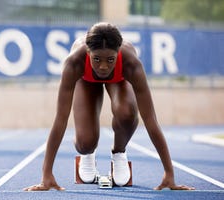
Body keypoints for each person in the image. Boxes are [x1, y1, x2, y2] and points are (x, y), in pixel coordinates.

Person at [24, 22, 195, 191]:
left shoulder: (131, 65)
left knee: (127, 113)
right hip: (86, 80)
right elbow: (60, 119)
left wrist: (169, 173)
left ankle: (119, 152)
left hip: (119, 79)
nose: (103, 67)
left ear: (118, 52)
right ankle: (87, 153)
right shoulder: (74, 63)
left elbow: (150, 120)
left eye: (110, 59)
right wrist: (46, 174)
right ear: (88, 52)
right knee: (86, 142)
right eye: (96, 59)